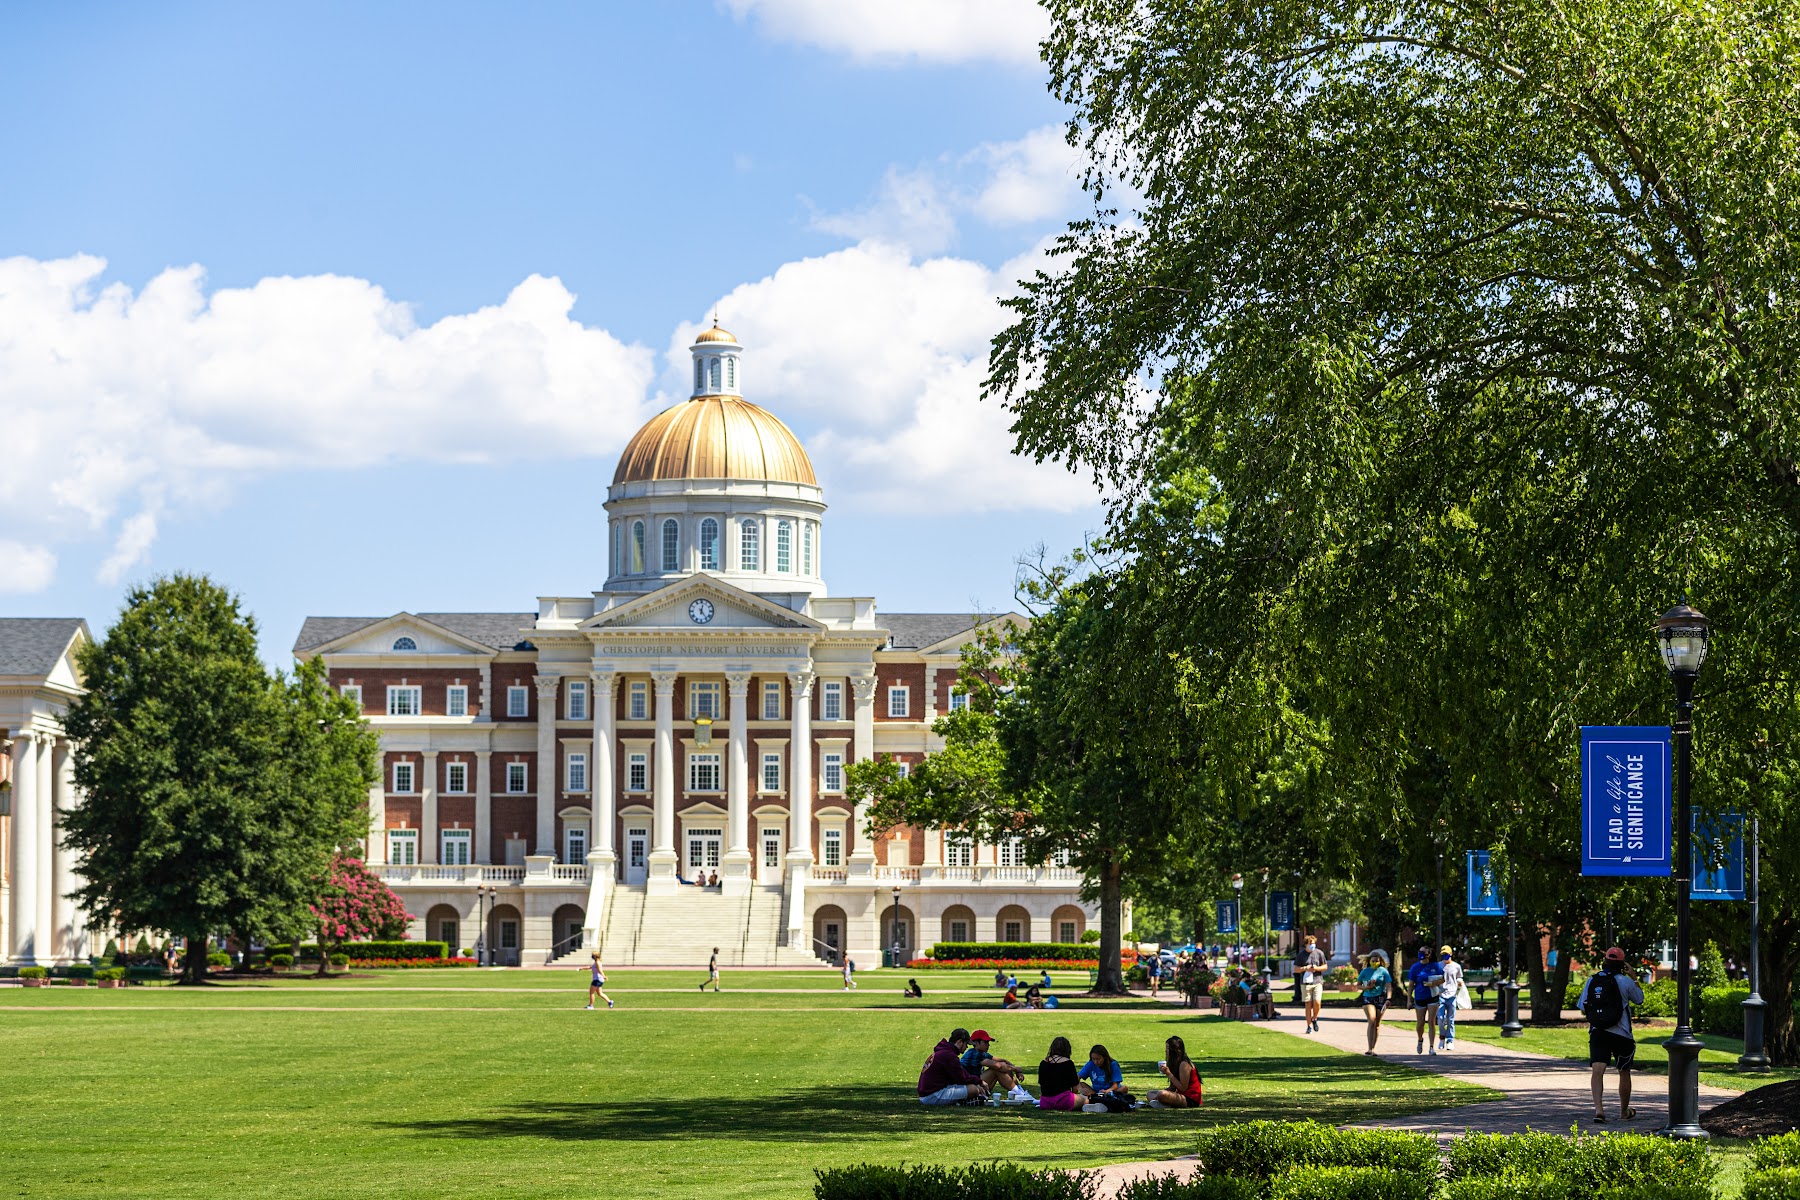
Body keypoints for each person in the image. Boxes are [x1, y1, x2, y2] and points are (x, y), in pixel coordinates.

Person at [1580, 946, 1645, 1123]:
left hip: (1598, 1032)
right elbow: (1639, 999)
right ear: (1622, 964)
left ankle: (1599, 1110)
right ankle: (1623, 1111)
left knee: (1597, 1071)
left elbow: (1583, 1007)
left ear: (1605, 962)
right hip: (1621, 1034)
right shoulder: (1625, 982)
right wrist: (1634, 978)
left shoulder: (1592, 981)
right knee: (1624, 1071)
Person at [918, 1027, 990, 1106]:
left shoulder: (944, 1052)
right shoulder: (948, 1055)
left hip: (929, 1094)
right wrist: (980, 1082)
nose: (966, 1047)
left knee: (971, 1087)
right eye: (966, 1044)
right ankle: (962, 1102)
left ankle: (961, 1101)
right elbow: (961, 1078)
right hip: (932, 1096)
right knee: (973, 1089)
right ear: (960, 1042)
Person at [1148, 1034, 1204, 1108]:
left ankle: (1162, 1104)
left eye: (1167, 1048)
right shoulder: (1175, 1063)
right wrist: (1158, 1095)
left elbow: (1183, 1088)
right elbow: (1172, 1087)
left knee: (1162, 1094)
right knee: (1150, 1093)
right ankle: (1162, 1103)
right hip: (1179, 1095)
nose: (1165, 1051)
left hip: (1190, 1099)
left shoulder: (1184, 1064)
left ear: (1173, 1050)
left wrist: (1168, 1074)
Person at [959, 1029, 1023, 1094]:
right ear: (976, 1043)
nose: (988, 1045)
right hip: (968, 1086)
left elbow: (1004, 1061)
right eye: (985, 1042)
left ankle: (1020, 1091)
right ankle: (1020, 1093)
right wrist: (1016, 1069)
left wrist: (1017, 1071)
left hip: (976, 1084)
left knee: (1005, 1068)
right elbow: (998, 1066)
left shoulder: (982, 1053)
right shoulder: (974, 1054)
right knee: (996, 1070)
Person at [1407, 947, 1442, 1054]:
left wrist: (1433, 983)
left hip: (1432, 996)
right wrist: (1409, 999)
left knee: (1431, 1021)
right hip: (1420, 996)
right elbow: (1411, 984)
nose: (1421, 954)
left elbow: (1442, 979)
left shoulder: (1435, 966)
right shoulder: (1415, 967)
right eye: (1420, 952)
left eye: (1424, 953)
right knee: (1420, 1022)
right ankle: (1420, 1039)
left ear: (1429, 955)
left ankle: (1431, 1047)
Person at [1078, 1043, 1132, 1111]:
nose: (1095, 1062)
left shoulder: (1113, 1064)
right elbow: (1076, 1078)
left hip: (1111, 1092)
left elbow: (1115, 1085)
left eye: (1098, 1059)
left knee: (1124, 1088)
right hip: (1096, 1092)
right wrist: (1081, 1089)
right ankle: (1098, 1102)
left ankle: (1097, 1102)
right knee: (1082, 1084)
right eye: (1093, 1059)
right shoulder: (1090, 1064)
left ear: (1104, 1057)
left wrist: (1107, 1091)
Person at [1358, 951, 1392, 1056]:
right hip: (1368, 997)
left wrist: (1389, 998)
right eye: (1373, 961)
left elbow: (1389, 985)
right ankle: (1369, 1048)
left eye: (1377, 961)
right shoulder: (1365, 971)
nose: (1375, 963)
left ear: (1380, 961)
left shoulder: (1384, 971)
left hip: (1380, 998)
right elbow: (1358, 985)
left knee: (1377, 1024)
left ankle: (1373, 1047)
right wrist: (1367, 987)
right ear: (1369, 961)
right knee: (1372, 1021)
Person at [1036, 1035, 1083, 1110]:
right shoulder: (1068, 1063)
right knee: (1085, 1099)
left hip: (1045, 1102)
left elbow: (1041, 1083)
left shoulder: (1043, 1063)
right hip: (1064, 1100)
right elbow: (1075, 1087)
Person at [1435, 946, 1464, 1051]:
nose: (1445, 957)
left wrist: (1460, 982)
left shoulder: (1456, 966)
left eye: (1447, 954)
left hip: (1452, 995)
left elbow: (1459, 977)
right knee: (1441, 1019)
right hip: (1441, 995)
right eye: (1443, 955)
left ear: (1451, 954)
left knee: (1450, 1019)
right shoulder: (1438, 966)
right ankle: (1442, 1038)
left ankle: (1450, 1040)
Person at [1298, 935, 1328, 1034]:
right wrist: (1305, 968)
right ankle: (1308, 1026)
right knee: (1308, 1005)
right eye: (1310, 943)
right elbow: (1295, 969)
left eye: (1314, 943)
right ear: (1306, 944)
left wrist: (1316, 968)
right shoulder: (1301, 955)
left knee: (1317, 1002)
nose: (1312, 945)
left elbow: (1325, 966)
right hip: (1306, 983)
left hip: (1317, 981)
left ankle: (1314, 1018)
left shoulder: (1319, 953)